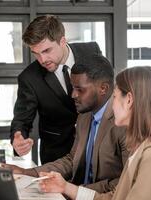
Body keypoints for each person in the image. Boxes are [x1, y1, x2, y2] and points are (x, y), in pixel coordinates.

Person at [38, 66, 151, 200]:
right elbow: (115, 197)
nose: (111, 105)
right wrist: (66, 187)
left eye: (114, 97)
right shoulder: (147, 148)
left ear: (129, 100)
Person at [4, 54, 128, 193]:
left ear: (103, 88)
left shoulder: (124, 123)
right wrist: (27, 172)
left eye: (79, 89)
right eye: (72, 87)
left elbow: (124, 183)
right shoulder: (84, 116)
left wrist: (73, 190)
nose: (73, 95)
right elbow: (72, 160)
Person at [10, 15, 102, 164]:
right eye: (36, 54)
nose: (42, 60)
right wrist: (18, 137)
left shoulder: (92, 51)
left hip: (96, 149)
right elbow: (21, 119)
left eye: (47, 50)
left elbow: (106, 92)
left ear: (63, 41)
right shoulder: (29, 78)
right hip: (56, 156)